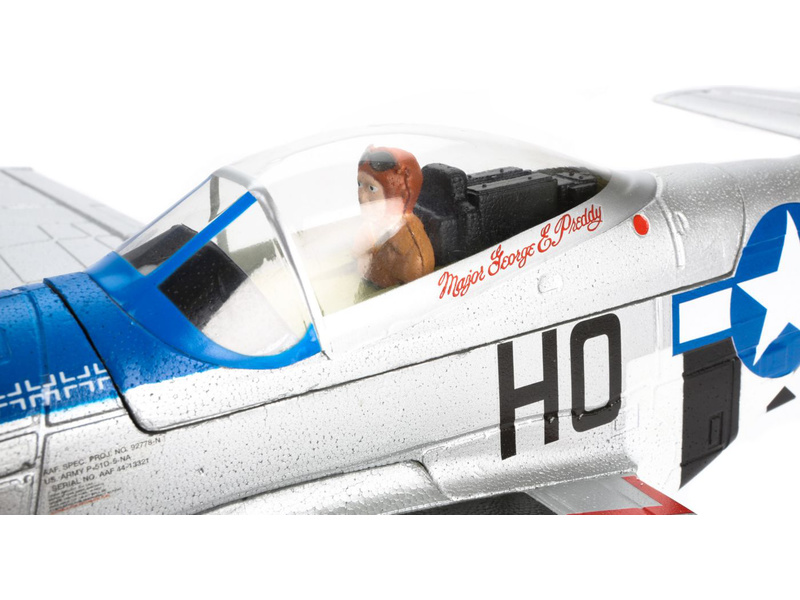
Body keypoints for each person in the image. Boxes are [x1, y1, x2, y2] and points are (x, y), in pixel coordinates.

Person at [355, 146, 435, 289]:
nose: (361, 197)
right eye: (359, 184)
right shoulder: (367, 228)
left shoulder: (413, 257)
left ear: (401, 195)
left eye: (372, 188)